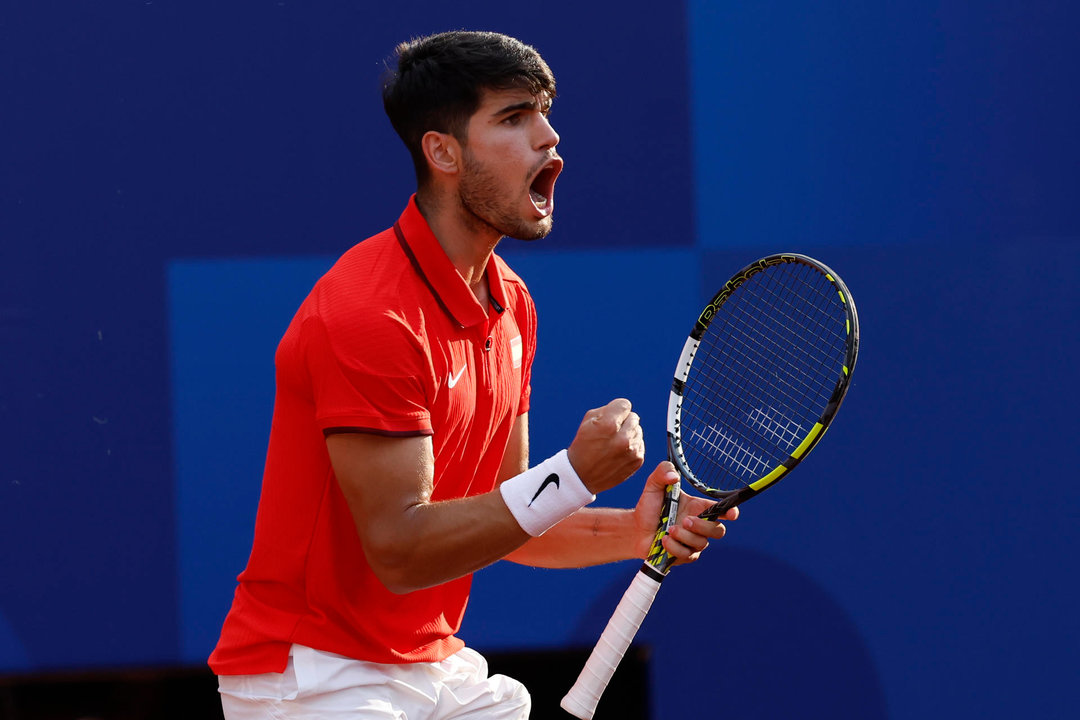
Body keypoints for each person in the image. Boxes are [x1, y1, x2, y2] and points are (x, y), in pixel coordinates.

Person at [209, 30, 737, 719]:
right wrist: (573, 475)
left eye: (545, 113)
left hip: (433, 667)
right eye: (514, 118)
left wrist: (635, 534)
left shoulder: (511, 302)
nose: (549, 137)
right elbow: (400, 551)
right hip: (315, 677)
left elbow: (506, 511)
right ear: (443, 151)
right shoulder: (369, 314)